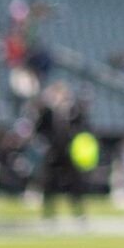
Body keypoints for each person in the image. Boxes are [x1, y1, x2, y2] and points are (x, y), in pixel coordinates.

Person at [34, 83, 88, 222]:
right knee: (49, 182)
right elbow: (39, 129)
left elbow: (82, 126)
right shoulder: (47, 111)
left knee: (75, 182)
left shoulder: (73, 110)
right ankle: (49, 213)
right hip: (53, 151)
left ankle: (78, 212)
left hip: (69, 151)